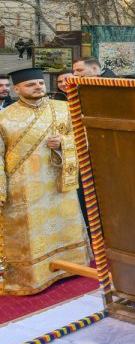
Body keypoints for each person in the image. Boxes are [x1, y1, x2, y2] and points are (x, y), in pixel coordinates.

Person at [0, 68, 88, 295]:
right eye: (31, 85)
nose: (38, 87)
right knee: (30, 232)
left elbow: (84, 137)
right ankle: (34, 277)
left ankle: (70, 265)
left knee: (64, 222)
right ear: (16, 89)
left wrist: (64, 142)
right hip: (23, 189)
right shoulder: (4, 117)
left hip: (59, 183)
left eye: (40, 83)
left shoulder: (64, 109)